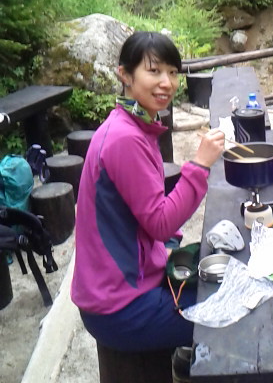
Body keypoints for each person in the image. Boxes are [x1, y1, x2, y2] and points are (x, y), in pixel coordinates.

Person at [71, 31, 225, 352]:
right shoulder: (124, 138)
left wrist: (162, 251)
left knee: (214, 271)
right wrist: (199, 165)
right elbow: (160, 223)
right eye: (154, 71)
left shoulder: (133, 125)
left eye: (172, 72)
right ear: (125, 75)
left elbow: (146, 217)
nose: (167, 83)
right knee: (230, 308)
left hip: (124, 286)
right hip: (121, 309)